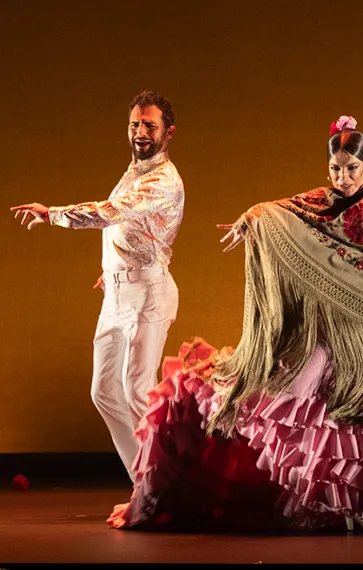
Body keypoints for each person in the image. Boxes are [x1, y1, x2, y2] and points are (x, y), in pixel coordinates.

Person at [106, 75, 363, 532]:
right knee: (286, 396)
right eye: (336, 170)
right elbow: (280, 211)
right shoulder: (321, 203)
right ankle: (288, 493)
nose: (344, 178)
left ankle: (361, 506)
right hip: (329, 332)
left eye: (352, 170)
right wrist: (252, 220)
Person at [11, 91, 184, 481]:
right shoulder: (134, 171)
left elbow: (112, 213)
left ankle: (170, 485)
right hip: (119, 294)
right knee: (105, 391)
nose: (140, 132)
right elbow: (137, 229)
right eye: (135, 124)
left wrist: (52, 213)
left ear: (168, 132)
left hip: (148, 294)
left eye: (149, 126)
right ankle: (145, 481)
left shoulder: (164, 180)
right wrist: (114, 269)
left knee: (138, 388)